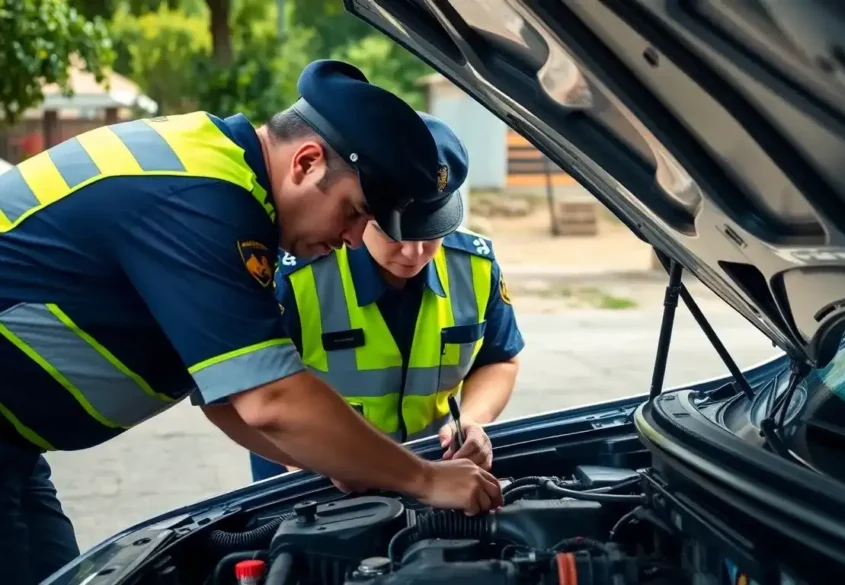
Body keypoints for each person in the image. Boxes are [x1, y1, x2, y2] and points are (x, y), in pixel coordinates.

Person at [0, 59, 502, 585]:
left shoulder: (226, 182)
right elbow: (272, 401)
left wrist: (346, 462)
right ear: (306, 163)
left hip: (15, 449)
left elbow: (225, 399)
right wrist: (422, 477)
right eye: (354, 211)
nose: (354, 238)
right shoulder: (201, 201)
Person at [250, 112, 524, 482]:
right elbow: (257, 399)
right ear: (362, 210)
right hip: (308, 478)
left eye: (432, 234)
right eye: (392, 233)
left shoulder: (474, 265)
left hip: (434, 474)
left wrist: (473, 421)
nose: (413, 254)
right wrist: (323, 468)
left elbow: (499, 361)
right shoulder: (296, 276)